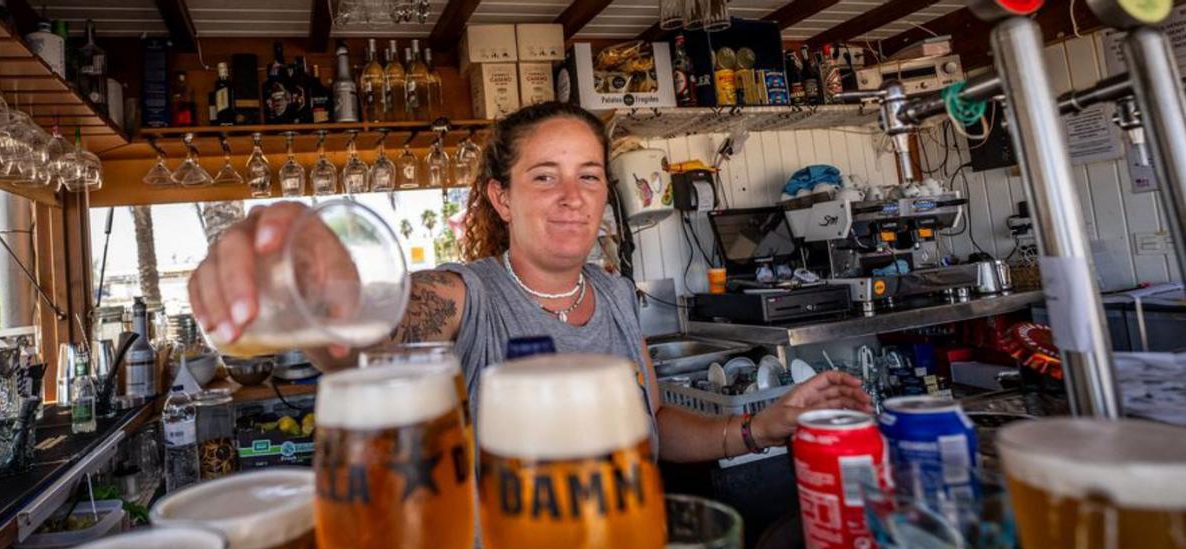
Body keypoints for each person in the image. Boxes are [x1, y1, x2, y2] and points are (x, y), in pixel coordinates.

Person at [188, 101, 871, 462]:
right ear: (502, 199)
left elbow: (654, 426)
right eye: (544, 176)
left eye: (589, 175)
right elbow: (362, 334)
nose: (571, 196)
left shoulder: (613, 294)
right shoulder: (471, 296)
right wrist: (312, 287)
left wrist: (761, 424)